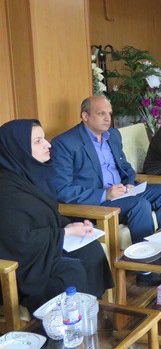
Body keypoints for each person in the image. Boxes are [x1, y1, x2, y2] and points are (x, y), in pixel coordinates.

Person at [50, 96, 161, 265]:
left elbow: (125, 167)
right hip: (97, 202)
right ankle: (148, 268)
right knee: (139, 204)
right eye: (101, 113)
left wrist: (129, 183)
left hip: (124, 192)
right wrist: (105, 194)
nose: (108, 118)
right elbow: (62, 190)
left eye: (109, 114)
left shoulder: (113, 135)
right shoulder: (65, 143)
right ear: (85, 116)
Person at [0, 119, 113, 313]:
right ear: (17, 148)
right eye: (38, 141)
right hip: (21, 264)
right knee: (70, 272)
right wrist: (65, 233)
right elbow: (19, 242)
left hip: (43, 247)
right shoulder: (5, 190)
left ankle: (92, 310)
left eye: (44, 138)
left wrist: (73, 226)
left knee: (91, 249)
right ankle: (69, 325)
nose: (48, 145)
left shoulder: (31, 174)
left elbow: (46, 214)